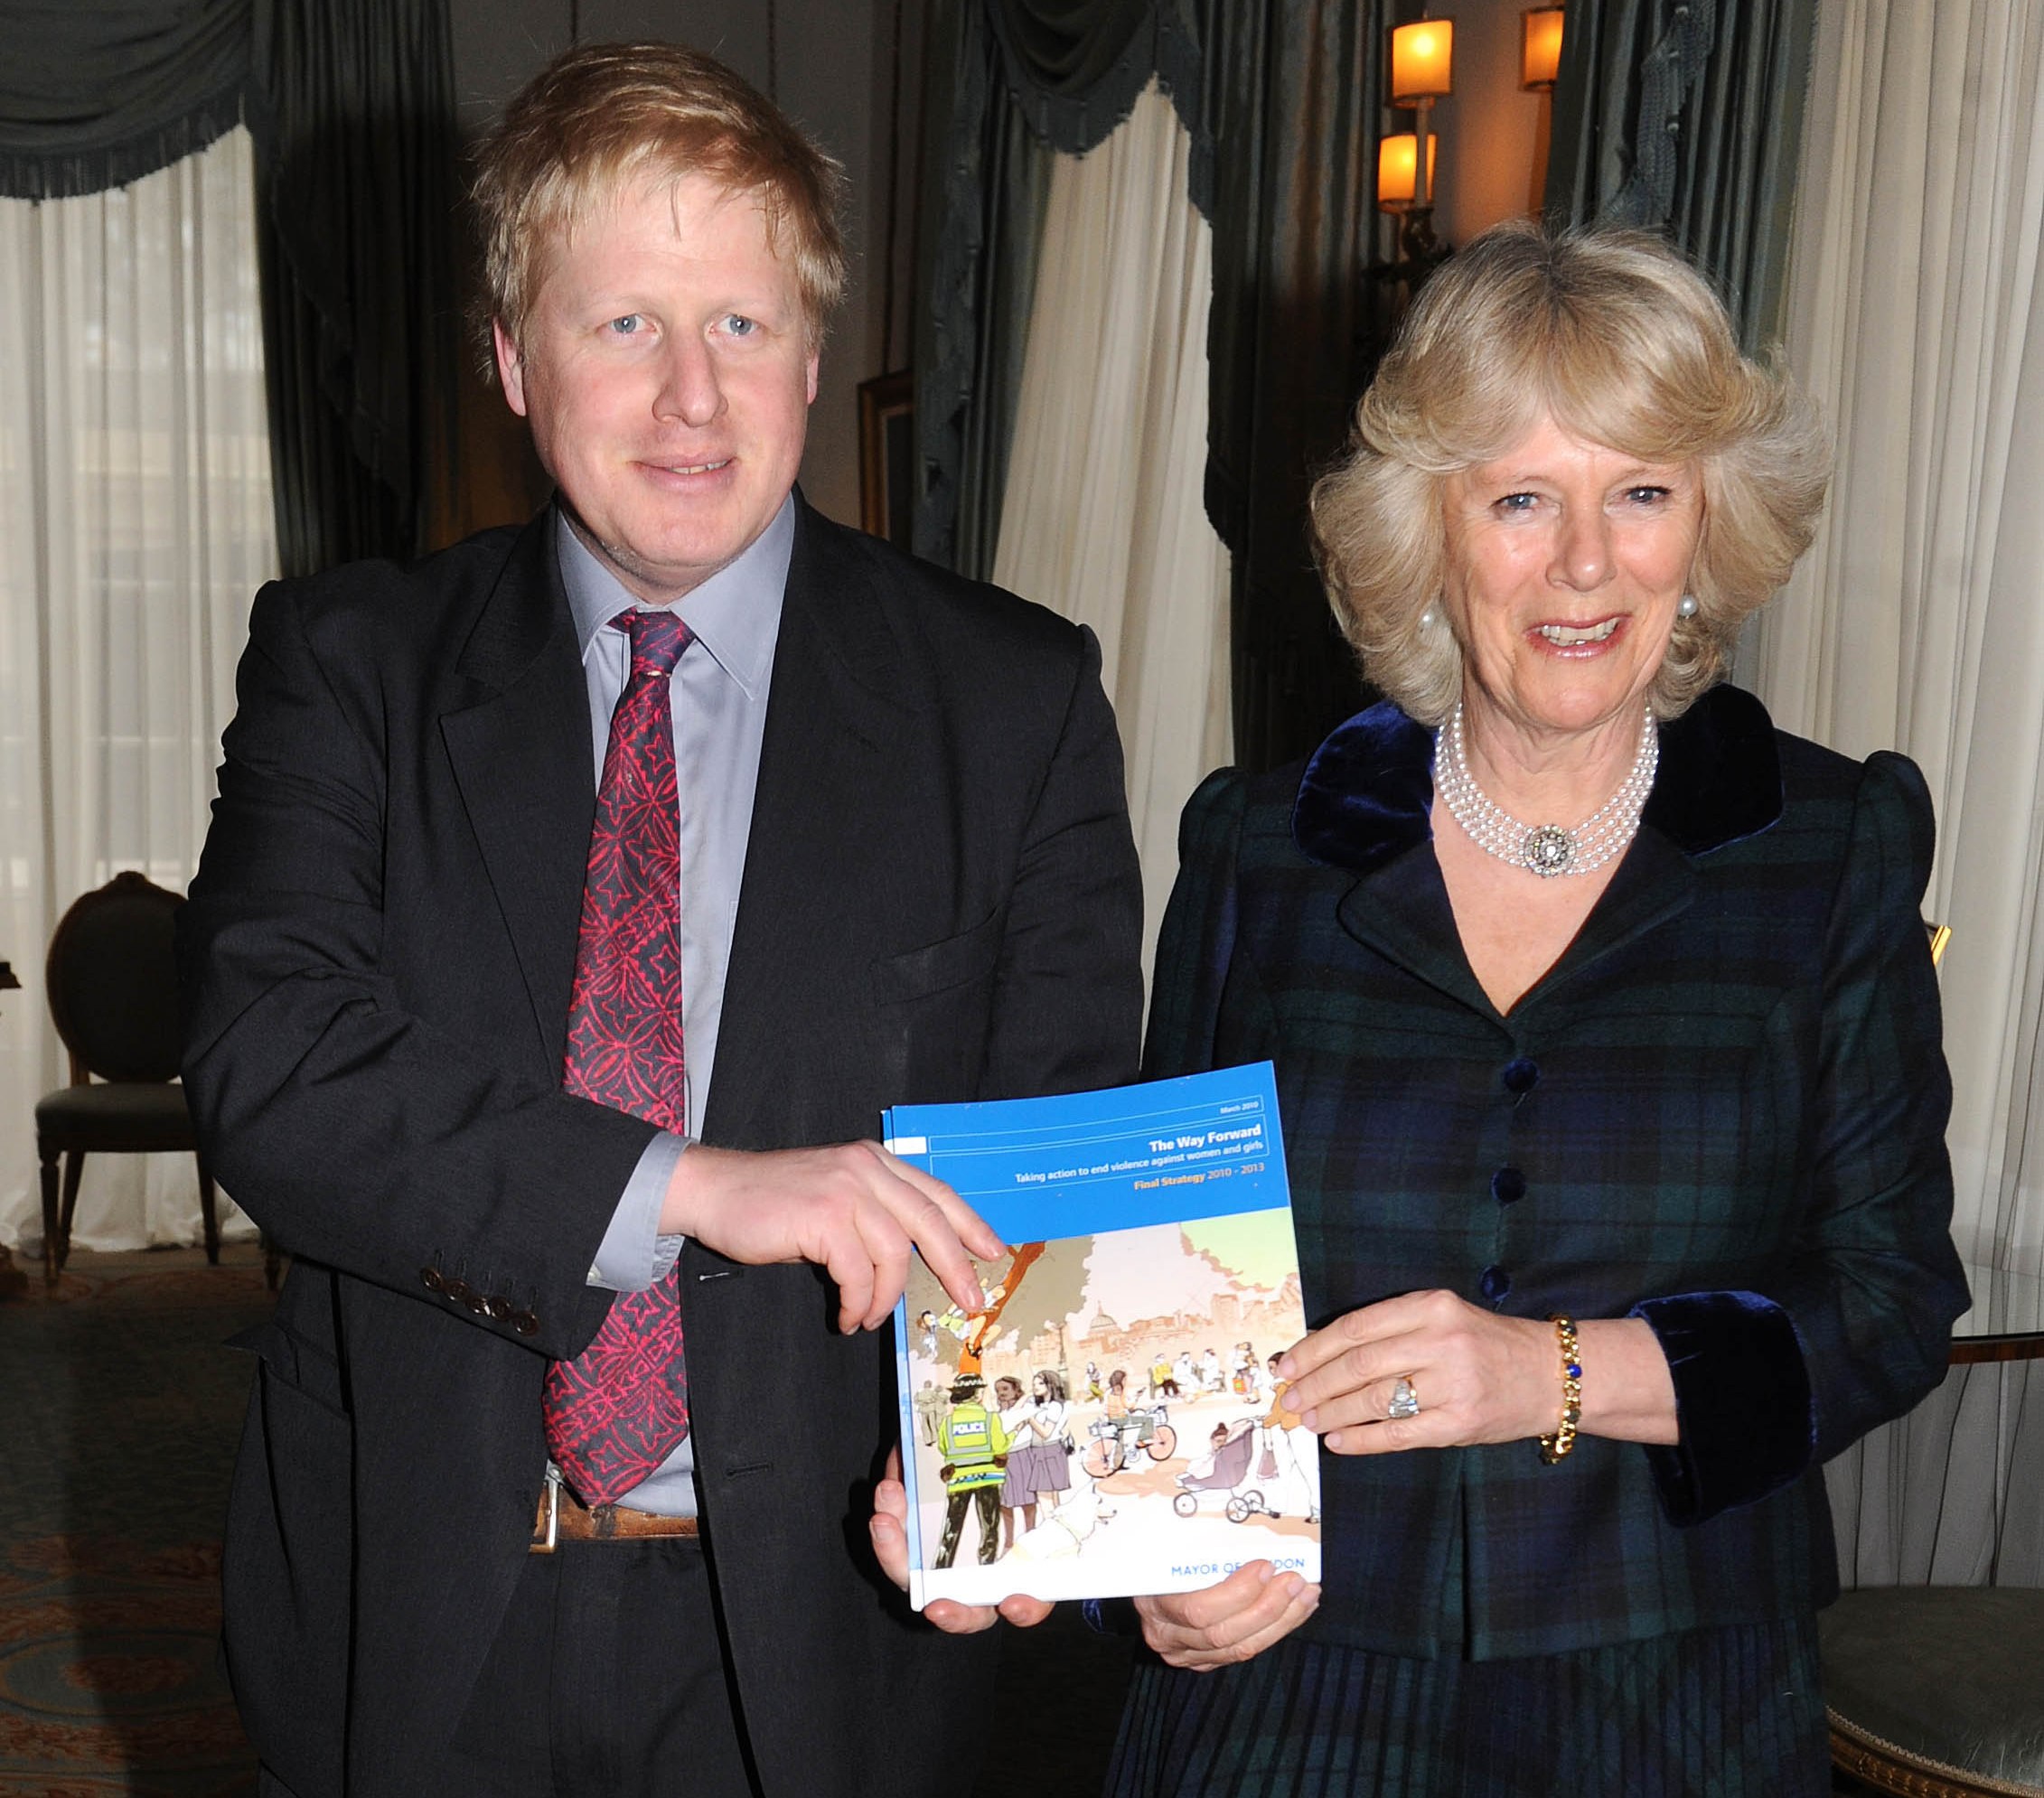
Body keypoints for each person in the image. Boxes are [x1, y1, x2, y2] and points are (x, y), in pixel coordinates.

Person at [177, 40, 1141, 1798]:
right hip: (418, 1613)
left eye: (743, 325)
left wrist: (1011, 1490)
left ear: (812, 349)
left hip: (837, 1644)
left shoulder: (1013, 700)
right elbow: (274, 1063)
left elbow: (1054, 1167)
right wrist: (693, 1184)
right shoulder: (350, 667)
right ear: (512, 362)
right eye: (623, 323)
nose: (692, 396)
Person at [1106, 221, 1966, 1796]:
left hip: (1675, 1676)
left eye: (1639, 491)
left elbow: (1892, 1303)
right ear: (1426, 533)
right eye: (1520, 499)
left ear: (1706, 524)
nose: (1586, 562)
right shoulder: (1259, 847)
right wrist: (1158, 1547)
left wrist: (1555, 1372)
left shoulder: (1830, 849)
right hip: (1297, 1657)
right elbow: (1153, 1287)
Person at [992, 1374, 1039, 1551]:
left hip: (1023, 1455)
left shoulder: (1027, 1407)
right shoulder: (1000, 1413)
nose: (1001, 1393)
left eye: (1005, 1389)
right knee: (1005, 1503)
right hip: (1006, 1458)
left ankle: (1030, 1534)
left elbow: (1013, 1420)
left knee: (1028, 1501)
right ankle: (1009, 1540)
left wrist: (1025, 1397)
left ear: (1015, 1390)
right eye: (998, 1390)